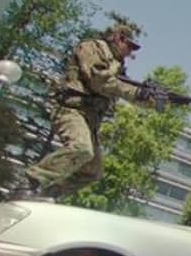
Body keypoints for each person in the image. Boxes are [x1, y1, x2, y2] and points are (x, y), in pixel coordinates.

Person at [15, 24, 159, 200]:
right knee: (82, 148)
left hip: (90, 117)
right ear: (119, 37)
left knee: (92, 172)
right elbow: (99, 81)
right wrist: (136, 92)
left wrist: (153, 99)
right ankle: (30, 181)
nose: (130, 52)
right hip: (71, 109)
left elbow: (122, 89)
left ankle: (49, 194)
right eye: (129, 46)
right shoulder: (92, 48)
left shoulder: (117, 65)